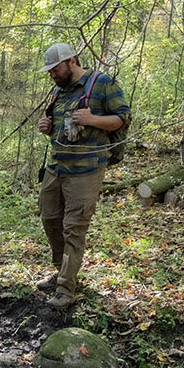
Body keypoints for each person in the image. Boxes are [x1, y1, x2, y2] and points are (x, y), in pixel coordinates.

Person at [36, 43, 131, 310]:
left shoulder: (101, 83)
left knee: (74, 228)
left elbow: (123, 118)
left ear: (72, 61)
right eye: (50, 71)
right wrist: (47, 127)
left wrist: (92, 120)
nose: (52, 75)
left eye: (55, 69)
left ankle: (67, 288)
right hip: (56, 167)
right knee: (50, 219)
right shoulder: (59, 90)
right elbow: (60, 128)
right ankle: (60, 271)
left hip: (86, 170)